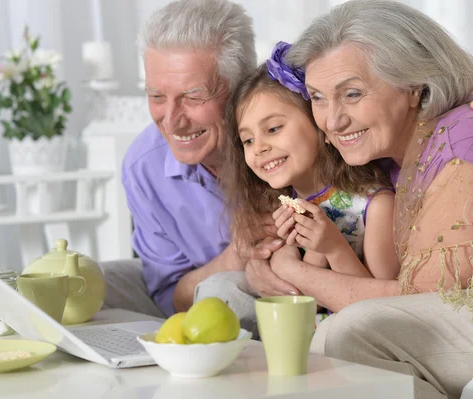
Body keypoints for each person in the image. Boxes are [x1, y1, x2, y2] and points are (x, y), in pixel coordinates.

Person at [239, 0, 473, 397]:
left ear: (413, 86)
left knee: (349, 330)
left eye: (351, 93)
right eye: (317, 97)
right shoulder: (393, 154)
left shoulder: (459, 138)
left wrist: (293, 273)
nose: (333, 120)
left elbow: (416, 299)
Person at [99, 0, 286, 322]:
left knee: (222, 293)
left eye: (193, 97)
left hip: (293, 290)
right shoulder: (145, 165)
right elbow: (168, 295)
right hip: (209, 291)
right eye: (156, 96)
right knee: (84, 284)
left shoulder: (289, 134)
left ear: (242, 86)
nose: (171, 121)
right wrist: (236, 255)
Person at [222, 43, 398, 283]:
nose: (259, 147)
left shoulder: (375, 206)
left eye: (273, 128)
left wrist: (333, 248)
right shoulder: (276, 208)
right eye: (248, 140)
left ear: (320, 124)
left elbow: (382, 306)